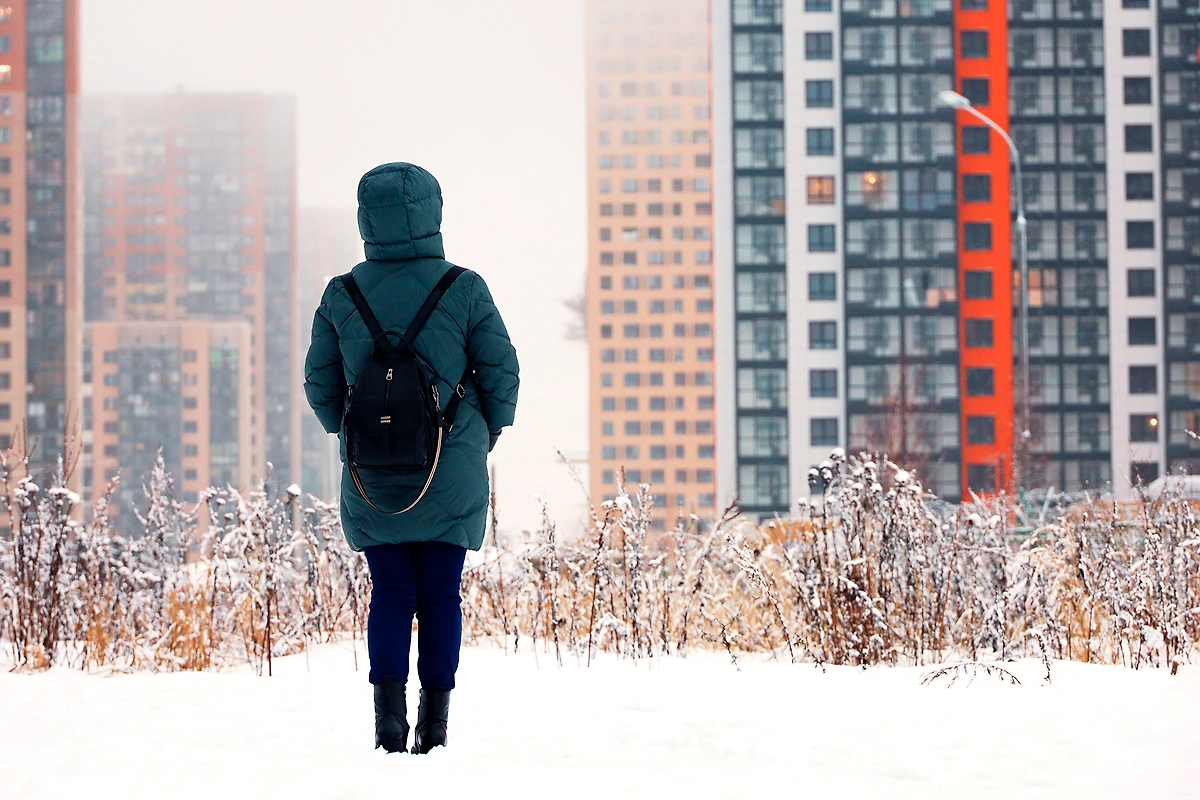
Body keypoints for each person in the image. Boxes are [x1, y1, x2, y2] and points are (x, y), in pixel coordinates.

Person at [304, 163, 519, 754]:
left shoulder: (341, 294)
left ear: (366, 218)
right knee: (442, 593)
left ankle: (388, 725)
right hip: (451, 467)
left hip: (373, 474)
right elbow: (502, 374)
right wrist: (479, 436)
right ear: (433, 211)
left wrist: (356, 436)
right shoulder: (463, 288)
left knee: (392, 592)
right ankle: (435, 726)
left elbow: (320, 384)